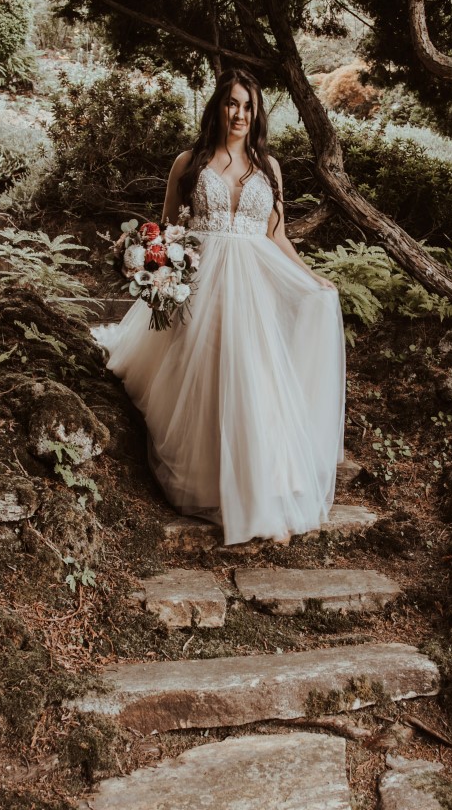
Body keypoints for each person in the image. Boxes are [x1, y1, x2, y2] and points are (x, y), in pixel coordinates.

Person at [91, 68, 346, 545]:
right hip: (202, 285)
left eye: (248, 106)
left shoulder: (268, 168)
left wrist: (313, 280)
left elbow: (276, 235)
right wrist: (157, 269)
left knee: (254, 377)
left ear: (257, 113)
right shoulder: (189, 162)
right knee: (210, 379)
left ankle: (263, 493)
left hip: (253, 287)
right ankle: (215, 488)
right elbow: (169, 230)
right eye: (232, 103)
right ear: (218, 107)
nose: (240, 114)